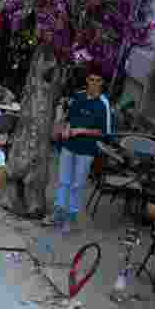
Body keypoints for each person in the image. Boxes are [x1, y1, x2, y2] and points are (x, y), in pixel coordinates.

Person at [47, 64, 113, 230]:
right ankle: (58, 213)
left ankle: (71, 217)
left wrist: (83, 130)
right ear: (87, 80)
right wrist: (66, 129)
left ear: (102, 83)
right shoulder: (79, 96)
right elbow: (69, 118)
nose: (94, 83)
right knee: (63, 181)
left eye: (98, 80)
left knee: (77, 184)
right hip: (69, 145)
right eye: (91, 79)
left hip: (86, 150)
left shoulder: (103, 104)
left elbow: (104, 132)